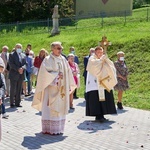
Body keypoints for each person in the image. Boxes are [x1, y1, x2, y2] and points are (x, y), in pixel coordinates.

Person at [32, 41, 76, 135]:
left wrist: (68, 83)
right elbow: (44, 74)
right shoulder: (47, 60)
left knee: (60, 108)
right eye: (58, 48)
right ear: (52, 49)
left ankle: (58, 128)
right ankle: (49, 128)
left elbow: (68, 72)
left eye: (61, 48)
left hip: (62, 89)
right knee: (50, 108)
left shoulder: (63, 59)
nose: (60, 50)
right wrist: (56, 76)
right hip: (51, 89)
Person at [86, 46, 117, 122]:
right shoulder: (92, 59)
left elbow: (111, 66)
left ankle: (103, 113)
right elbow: (94, 66)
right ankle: (98, 115)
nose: (100, 54)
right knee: (95, 99)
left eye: (101, 52)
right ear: (95, 52)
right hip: (94, 84)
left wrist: (104, 61)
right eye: (98, 52)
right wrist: (101, 61)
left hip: (104, 82)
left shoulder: (104, 58)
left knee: (104, 98)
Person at [9, 43, 26, 107]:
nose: (19, 48)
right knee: (13, 89)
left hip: (21, 74)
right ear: (15, 48)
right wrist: (18, 69)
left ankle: (17, 102)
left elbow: (25, 63)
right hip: (14, 74)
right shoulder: (12, 55)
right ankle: (12, 103)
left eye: (20, 47)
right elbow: (11, 64)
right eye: (17, 47)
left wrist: (22, 68)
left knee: (19, 89)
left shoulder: (23, 55)